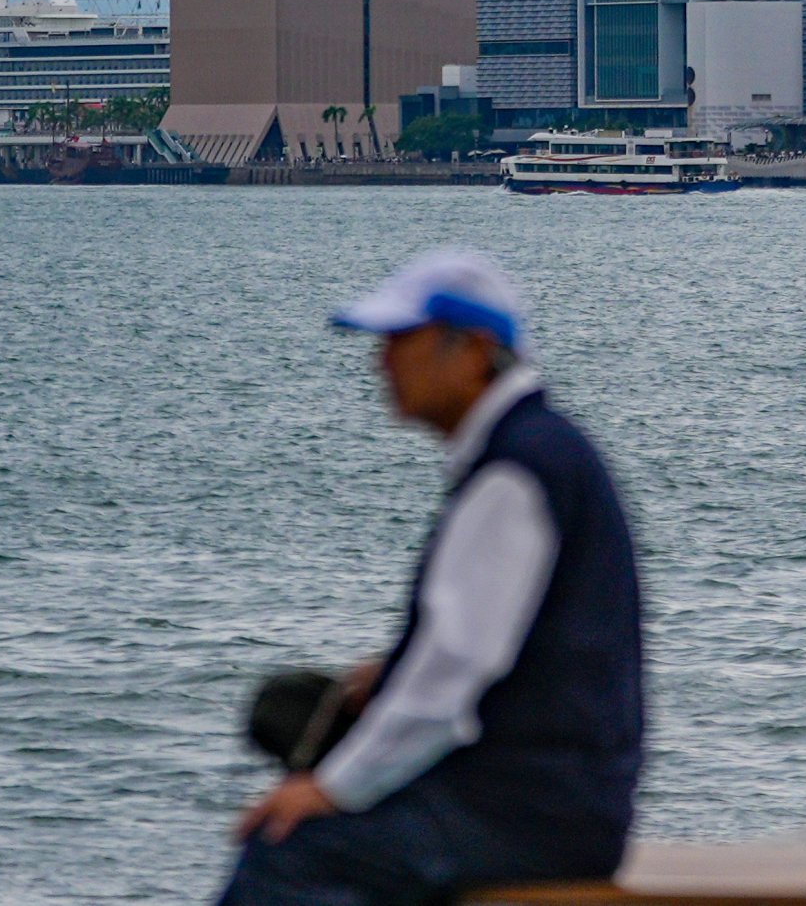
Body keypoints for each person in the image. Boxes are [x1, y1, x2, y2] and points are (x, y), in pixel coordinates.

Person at [222, 247, 642, 906]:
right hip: (560, 805)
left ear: (472, 348)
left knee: (285, 852)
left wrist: (333, 788)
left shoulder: (512, 472)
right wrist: (389, 673)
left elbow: (453, 671)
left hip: (523, 816)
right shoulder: (543, 449)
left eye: (400, 340)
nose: (380, 361)